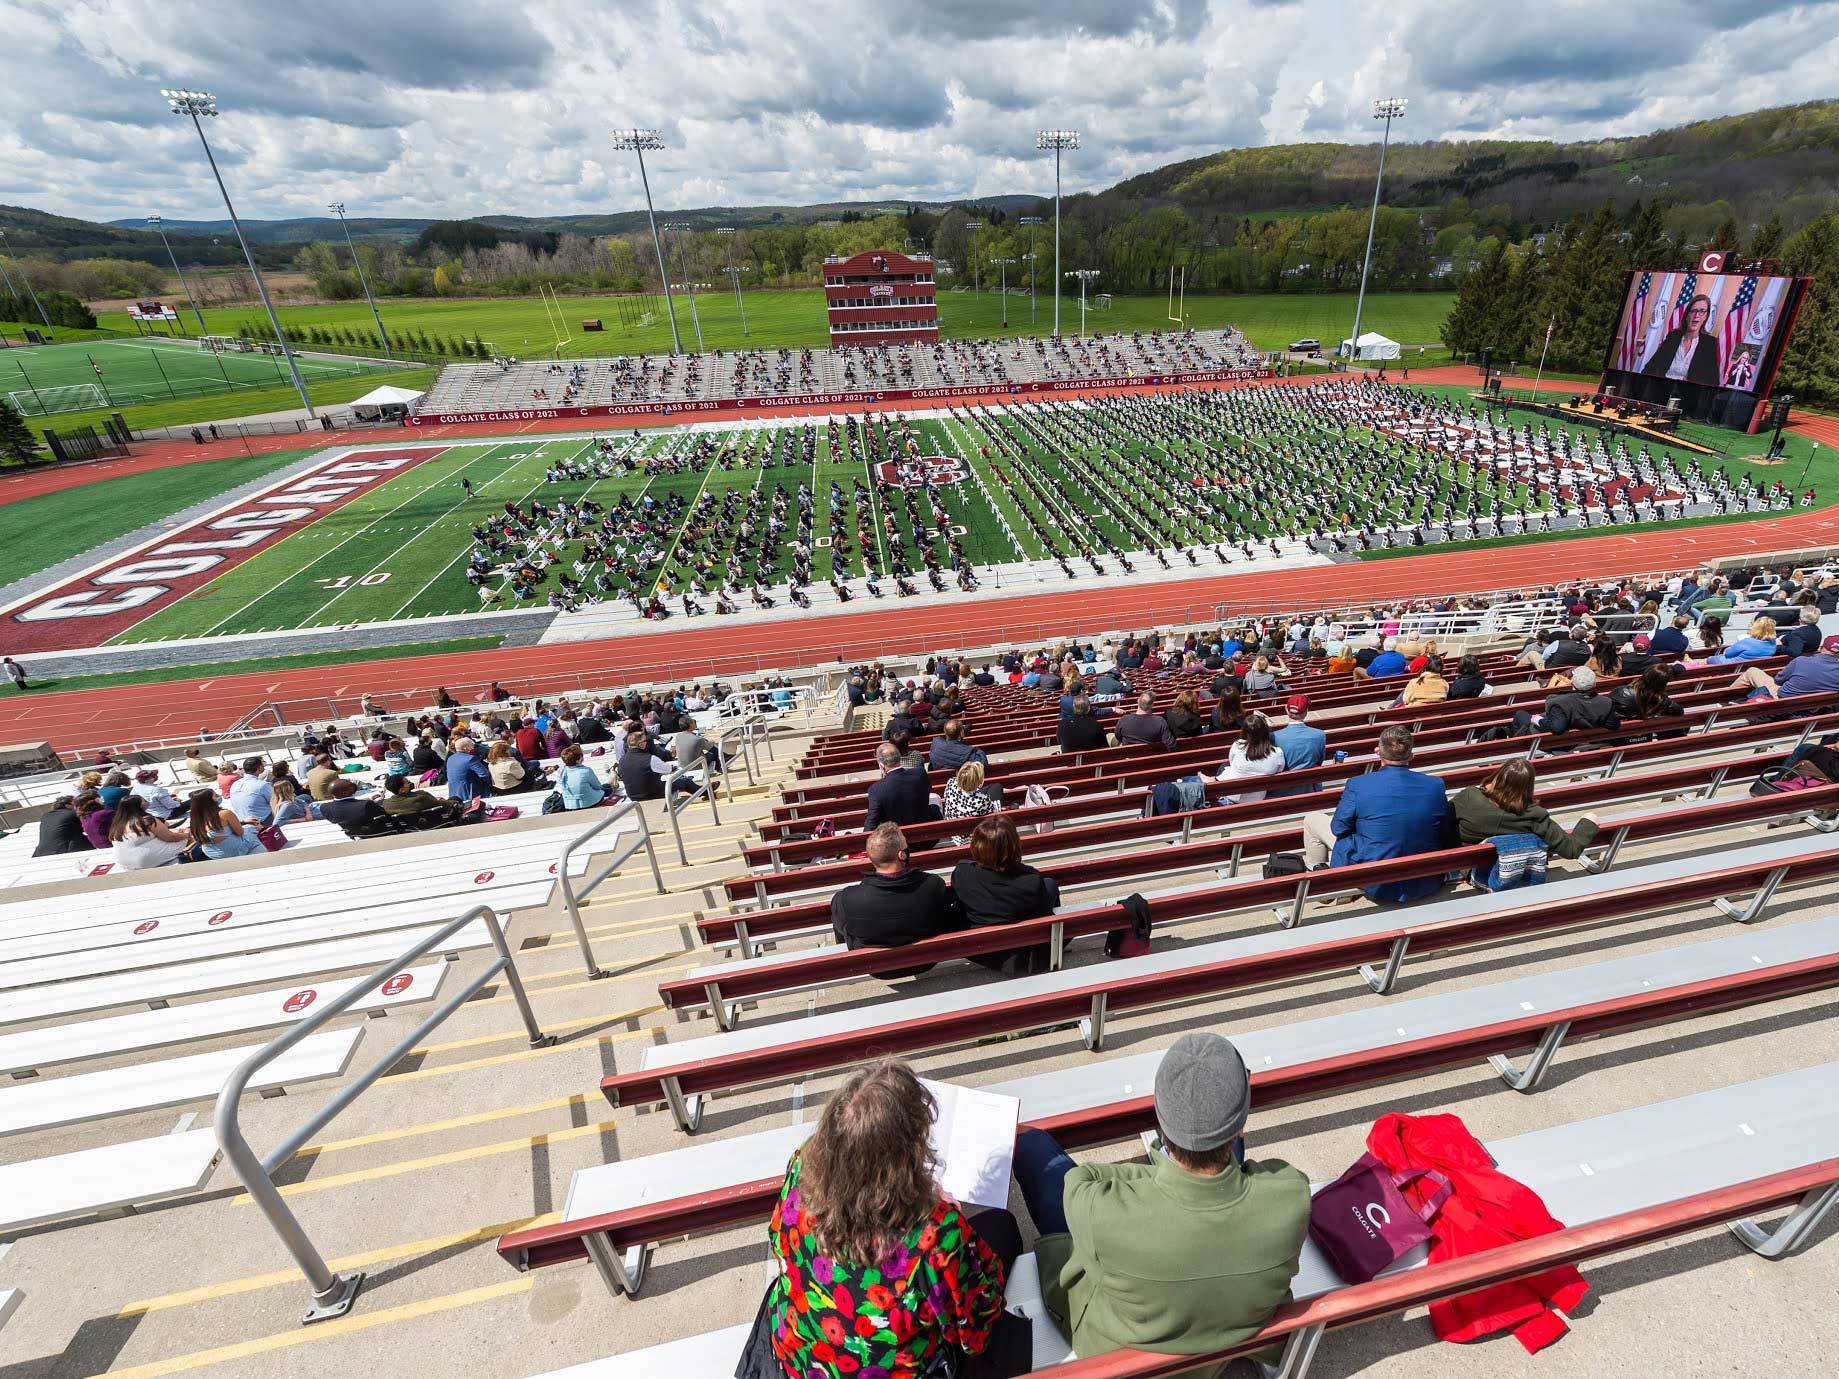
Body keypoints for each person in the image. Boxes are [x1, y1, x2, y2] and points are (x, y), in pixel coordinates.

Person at [1016, 1032, 1309, 1370]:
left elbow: (1079, 1181)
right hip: (1228, 1330)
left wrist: (1158, 1170)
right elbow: (1246, 1167)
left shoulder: (1102, 1211)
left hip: (1118, 1341)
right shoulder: (1291, 1196)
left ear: (1160, 1119)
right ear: (1241, 1123)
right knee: (1225, 1160)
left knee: (1032, 1147)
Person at [747, 1060, 1021, 1379]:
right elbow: (976, 1328)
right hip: (890, 1371)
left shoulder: (803, 1166)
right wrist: (953, 1222)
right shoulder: (937, 1235)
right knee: (1003, 1227)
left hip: (799, 1354)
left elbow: (779, 1241)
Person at [1302, 726, 1451, 902]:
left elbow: (1338, 828)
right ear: (1411, 755)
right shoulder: (1435, 785)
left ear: (1378, 752)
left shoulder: (1358, 784)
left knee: (1312, 819)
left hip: (1375, 877)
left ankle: (1327, 885)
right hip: (1423, 877)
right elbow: (1444, 829)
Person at [949, 815, 1057, 974]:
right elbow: (1043, 915)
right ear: (1014, 845)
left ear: (977, 845)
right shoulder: (1031, 880)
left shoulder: (961, 873)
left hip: (978, 949)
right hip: (1020, 954)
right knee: (1050, 885)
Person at [829, 823, 962, 950]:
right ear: (901, 854)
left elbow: (842, 928)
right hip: (926, 959)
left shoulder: (846, 899)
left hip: (876, 967)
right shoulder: (933, 884)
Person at [1451, 760, 1599, 860]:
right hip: (1506, 865)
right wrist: (1589, 820)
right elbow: (1571, 850)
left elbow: (1443, 820)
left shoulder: (1470, 796)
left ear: (1498, 776)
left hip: (1464, 862)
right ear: (1528, 786)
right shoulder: (1534, 815)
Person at [1515, 666, 1620, 738]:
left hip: (1550, 742)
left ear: (1572, 683)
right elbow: (1614, 724)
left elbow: (1557, 728)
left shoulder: (1560, 702)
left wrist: (1537, 720)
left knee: (1520, 714)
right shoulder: (1606, 702)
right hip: (1584, 740)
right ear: (1594, 684)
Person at [1643, 293, 1721, 386]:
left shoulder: (1709, 344)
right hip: (1661, 388)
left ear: (1705, 316)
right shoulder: (1673, 337)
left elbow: (1712, 381)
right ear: (1687, 315)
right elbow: (1650, 368)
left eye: (1702, 311)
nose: (1696, 315)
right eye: (1693, 311)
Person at [1214, 711, 1287, 803]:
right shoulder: (1277, 753)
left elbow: (1232, 762)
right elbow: (1278, 770)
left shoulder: (1238, 745)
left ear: (1245, 731)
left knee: (1224, 766)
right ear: (1265, 731)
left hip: (1233, 795)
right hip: (1258, 797)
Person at [108, 795, 192, 870]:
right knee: (192, 837)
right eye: (144, 800)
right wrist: (187, 834)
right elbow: (170, 837)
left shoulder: (117, 823)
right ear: (139, 806)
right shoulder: (146, 820)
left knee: (178, 832)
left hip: (123, 862)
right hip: (145, 861)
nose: (147, 802)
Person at [864, 742, 936, 829]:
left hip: (896, 840)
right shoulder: (920, 773)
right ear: (899, 758)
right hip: (926, 835)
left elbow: (871, 823)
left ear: (881, 766)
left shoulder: (876, 789)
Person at [615, 729, 696, 801]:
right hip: (653, 793)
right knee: (685, 782)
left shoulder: (621, 760)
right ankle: (706, 792)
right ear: (640, 745)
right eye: (644, 741)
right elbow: (667, 770)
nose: (646, 743)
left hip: (633, 796)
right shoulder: (650, 759)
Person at [186, 790, 263, 861]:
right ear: (209, 801)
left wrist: (243, 822)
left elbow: (218, 828)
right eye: (216, 795)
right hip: (234, 851)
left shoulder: (195, 819)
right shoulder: (225, 813)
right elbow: (240, 833)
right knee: (254, 829)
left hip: (212, 853)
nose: (219, 796)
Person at [380, 772, 464, 825]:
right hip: (433, 821)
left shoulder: (387, 804)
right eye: (407, 782)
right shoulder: (420, 797)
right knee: (455, 798)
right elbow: (444, 805)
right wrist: (442, 800)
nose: (410, 783)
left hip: (410, 825)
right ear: (401, 790)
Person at [319, 778, 391, 838]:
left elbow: (346, 808)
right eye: (351, 788)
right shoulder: (366, 805)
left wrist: (364, 801)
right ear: (346, 792)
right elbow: (385, 813)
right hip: (374, 832)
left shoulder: (325, 808)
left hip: (352, 833)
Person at [1707, 615, 1778, 664]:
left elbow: (1728, 653)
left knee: (1709, 659)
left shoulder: (1746, 642)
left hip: (1733, 666)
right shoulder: (1773, 643)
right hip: (1750, 667)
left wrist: (1727, 649)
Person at [557, 744, 611, 809]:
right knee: (608, 788)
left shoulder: (561, 771)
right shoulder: (586, 771)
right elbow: (598, 787)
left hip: (570, 805)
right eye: (581, 756)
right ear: (577, 760)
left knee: (604, 786)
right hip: (589, 803)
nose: (583, 757)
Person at [227, 757, 276, 826]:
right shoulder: (262, 785)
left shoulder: (235, 784)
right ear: (259, 768)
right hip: (262, 821)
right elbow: (275, 801)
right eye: (263, 765)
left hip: (242, 821)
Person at [445, 737, 491, 805]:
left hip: (454, 793)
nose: (473, 747)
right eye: (472, 745)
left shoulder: (450, 758)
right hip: (471, 794)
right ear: (465, 748)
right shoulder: (470, 759)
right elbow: (484, 774)